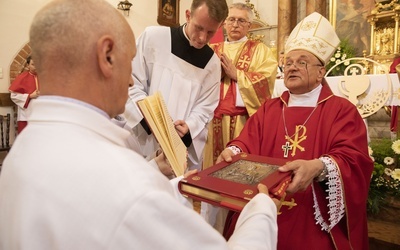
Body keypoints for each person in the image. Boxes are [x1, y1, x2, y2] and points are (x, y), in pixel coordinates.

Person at [0, 0, 281, 249]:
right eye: (128, 61)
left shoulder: (26, 147)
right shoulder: (129, 182)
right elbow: (131, 196)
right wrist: (261, 210)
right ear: (106, 55)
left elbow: (106, 204)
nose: (133, 81)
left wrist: (155, 169)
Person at [217, 12, 373, 249]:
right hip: (265, 202)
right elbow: (247, 141)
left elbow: (354, 159)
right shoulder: (271, 108)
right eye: (288, 62)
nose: (292, 67)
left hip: (312, 210)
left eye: (302, 62)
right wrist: (233, 151)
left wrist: (318, 166)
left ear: (321, 71)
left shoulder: (341, 110)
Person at [123, 0, 229, 171]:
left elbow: (205, 109)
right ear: (188, 15)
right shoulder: (153, 37)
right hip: (141, 138)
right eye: (199, 28)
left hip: (177, 146)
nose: (202, 38)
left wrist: (189, 127)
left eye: (210, 32)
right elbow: (130, 80)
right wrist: (149, 115)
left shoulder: (212, 64)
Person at [201, 2, 277, 232]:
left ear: (250, 25)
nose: (235, 24)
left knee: (238, 177)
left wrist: (238, 75)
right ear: (223, 23)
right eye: (231, 19)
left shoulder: (260, 50)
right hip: (211, 121)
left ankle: (237, 229)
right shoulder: (211, 49)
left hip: (242, 124)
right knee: (210, 177)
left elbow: (267, 82)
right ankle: (208, 230)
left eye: (241, 20)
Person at [9, 55, 40, 134]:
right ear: (28, 65)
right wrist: (30, 96)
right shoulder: (22, 77)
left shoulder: (44, 77)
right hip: (26, 114)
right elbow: (13, 96)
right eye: (33, 64)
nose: (35, 66)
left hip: (41, 114)